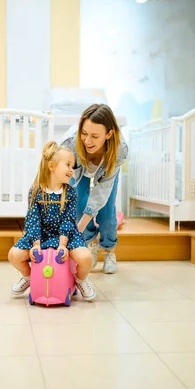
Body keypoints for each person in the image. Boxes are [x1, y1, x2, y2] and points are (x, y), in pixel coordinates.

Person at [8, 141, 96, 301]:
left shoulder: (71, 192)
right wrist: (36, 244)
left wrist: (63, 243)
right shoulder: (36, 191)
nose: (71, 170)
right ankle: (29, 277)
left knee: (86, 258)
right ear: (51, 166)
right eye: (68, 165)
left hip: (66, 235)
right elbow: (33, 219)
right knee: (14, 255)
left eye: (72, 166)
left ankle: (80, 280)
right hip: (40, 235)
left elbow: (68, 220)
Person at [60, 104, 128, 274]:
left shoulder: (119, 150)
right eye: (84, 133)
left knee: (107, 212)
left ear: (108, 134)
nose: (87, 141)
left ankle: (109, 250)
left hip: (107, 170)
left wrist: (79, 227)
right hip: (80, 168)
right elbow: (61, 180)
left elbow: (102, 191)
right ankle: (91, 243)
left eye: (95, 136)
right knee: (79, 203)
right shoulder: (70, 145)